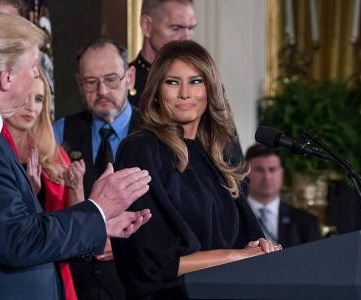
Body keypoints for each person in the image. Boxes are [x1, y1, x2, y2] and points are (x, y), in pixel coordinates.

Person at [0, 11, 151, 300]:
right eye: (35, 68)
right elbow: (19, 240)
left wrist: (98, 226)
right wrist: (97, 210)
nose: (38, 77)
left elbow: (19, 233)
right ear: (7, 77)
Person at [112, 40, 281, 300]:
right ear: (157, 89)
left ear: (210, 88)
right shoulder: (140, 150)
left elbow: (247, 238)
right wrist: (235, 256)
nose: (184, 94)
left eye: (195, 81)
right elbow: (148, 264)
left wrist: (257, 248)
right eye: (172, 82)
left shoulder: (219, 153)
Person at [53, 38, 140, 300]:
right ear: (80, 84)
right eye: (91, 82)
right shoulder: (59, 132)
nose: (102, 90)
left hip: (140, 278)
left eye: (112, 79)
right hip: (79, 282)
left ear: (130, 78)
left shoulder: (156, 132)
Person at [5, 68, 84, 300]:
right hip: (10, 276)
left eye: (38, 99)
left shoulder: (56, 156)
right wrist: (29, 194)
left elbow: (76, 231)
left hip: (56, 274)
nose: (31, 107)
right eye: (25, 97)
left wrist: (75, 188)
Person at [245, 144, 321, 248]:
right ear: (245, 173)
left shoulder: (306, 223)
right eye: (259, 170)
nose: (267, 176)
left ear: (282, 173)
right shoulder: (231, 218)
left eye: (272, 169)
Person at [129, 0, 196, 107]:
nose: (186, 38)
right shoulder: (121, 85)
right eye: (176, 28)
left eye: (191, 28)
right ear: (146, 26)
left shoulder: (201, 82)